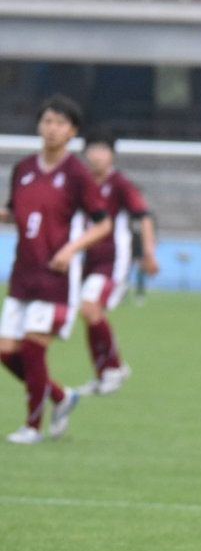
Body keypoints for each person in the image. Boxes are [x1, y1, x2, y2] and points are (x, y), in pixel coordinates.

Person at [0, 94, 111, 444]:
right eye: (47, 121)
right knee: (6, 352)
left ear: (72, 131)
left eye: (60, 123)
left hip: (56, 276)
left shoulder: (76, 174)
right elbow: (14, 213)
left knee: (33, 349)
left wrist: (71, 249)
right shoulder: (23, 169)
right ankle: (62, 397)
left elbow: (103, 223)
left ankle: (32, 427)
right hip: (23, 273)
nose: (52, 128)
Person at [75, 129, 160, 395]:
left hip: (113, 261)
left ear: (111, 155)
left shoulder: (120, 184)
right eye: (93, 149)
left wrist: (148, 253)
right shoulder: (80, 183)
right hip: (85, 260)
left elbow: (143, 216)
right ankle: (104, 373)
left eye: (103, 150)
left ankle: (114, 367)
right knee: (90, 315)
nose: (97, 155)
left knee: (90, 309)